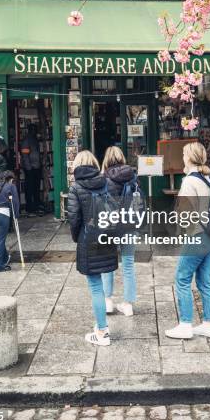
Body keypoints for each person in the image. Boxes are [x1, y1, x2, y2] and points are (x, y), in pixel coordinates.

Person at [166, 141, 210, 340]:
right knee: (205, 281)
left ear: (189, 158)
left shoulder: (189, 181)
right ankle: (208, 324)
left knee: (182, 279)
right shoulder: (207, 177)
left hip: (196, 235)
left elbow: (184, 213)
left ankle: (186, 324)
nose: (182, 158)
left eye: (183, 154)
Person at [67, 150, 118, 346]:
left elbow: (74, 219)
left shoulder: (76, 188)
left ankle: (102, 332)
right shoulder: (107, 182)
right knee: (101, 286)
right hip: (107, 237)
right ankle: (100, 327)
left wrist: (77, 238)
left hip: (88, 239)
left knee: (95, 287)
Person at [101, 146, 137, 317]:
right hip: (129, 225)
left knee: (107, 265)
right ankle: (128, 304)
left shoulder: (102, 179)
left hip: (109, 226)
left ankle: (107, 301)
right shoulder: (132, 177)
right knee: (128, 265)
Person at [21, 124, 41, 215]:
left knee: (36, 188)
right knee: (30, 188)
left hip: (36, 167)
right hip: (31, 168)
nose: (35, 131)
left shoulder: (34, 139)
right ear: (30, 130)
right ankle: (30, 207)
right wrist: (29, 168)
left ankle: (36, 205)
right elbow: (25, 155)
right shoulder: (27, 140)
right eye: (33, 129)